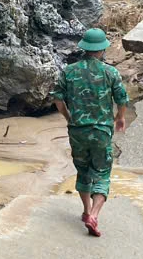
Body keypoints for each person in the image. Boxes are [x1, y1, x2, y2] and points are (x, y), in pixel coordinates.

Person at [51, 28, 129, 238]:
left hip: (78, 131)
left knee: (83, 171)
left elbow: (58, 99)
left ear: (84, 48)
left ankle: (86, 211)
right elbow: (122, 99)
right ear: (102, 49)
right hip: (102, 131)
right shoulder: (110, 72)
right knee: (102, 173)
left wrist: (69, 118)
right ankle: (94, 214)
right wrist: (120, 118)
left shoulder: (68, 71)